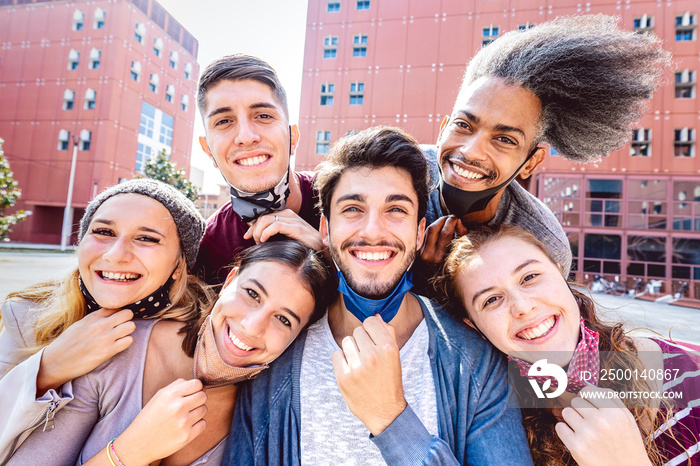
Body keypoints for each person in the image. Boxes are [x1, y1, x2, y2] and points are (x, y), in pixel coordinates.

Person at [227, 126, 533, 465]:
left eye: (396, 210)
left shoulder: (476, 363)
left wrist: (391, 419)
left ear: (419, 233)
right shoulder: (273, 357)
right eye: (353, 209)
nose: (373, 231)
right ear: (326, 229)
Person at [5, 240, 331, 465]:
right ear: (231, 278)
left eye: (283, 319)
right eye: (251, 293)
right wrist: (128, 454)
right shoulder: (121, 351)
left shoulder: (266, 416)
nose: (251, 325)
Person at [419, 15, 671, 279]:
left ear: (530, 162)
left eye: (504, 139)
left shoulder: (543, 246)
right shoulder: (395, 171)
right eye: (463, 125)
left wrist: (437, 280)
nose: (471, 151)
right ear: (442, 130)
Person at [433, 224, 700, 466]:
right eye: (491, 300)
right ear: (474, 327)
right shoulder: (492, 424)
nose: (523, 308)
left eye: (529, 277)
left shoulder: (687, 373)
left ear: (561, 273)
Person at [0, 178, 212, 462]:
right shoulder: (26, 315)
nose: (115, 255)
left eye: (146, 238)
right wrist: (47, 369)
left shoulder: (197, 346)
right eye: (103, 231)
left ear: (178, 264)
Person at [194, 54, 323, 285]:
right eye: (224, 121)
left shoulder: (346, 203)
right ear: (208, 150)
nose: (246, 137)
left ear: (293, 137)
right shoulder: (206, 250)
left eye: (263, 116)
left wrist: (329, 255)